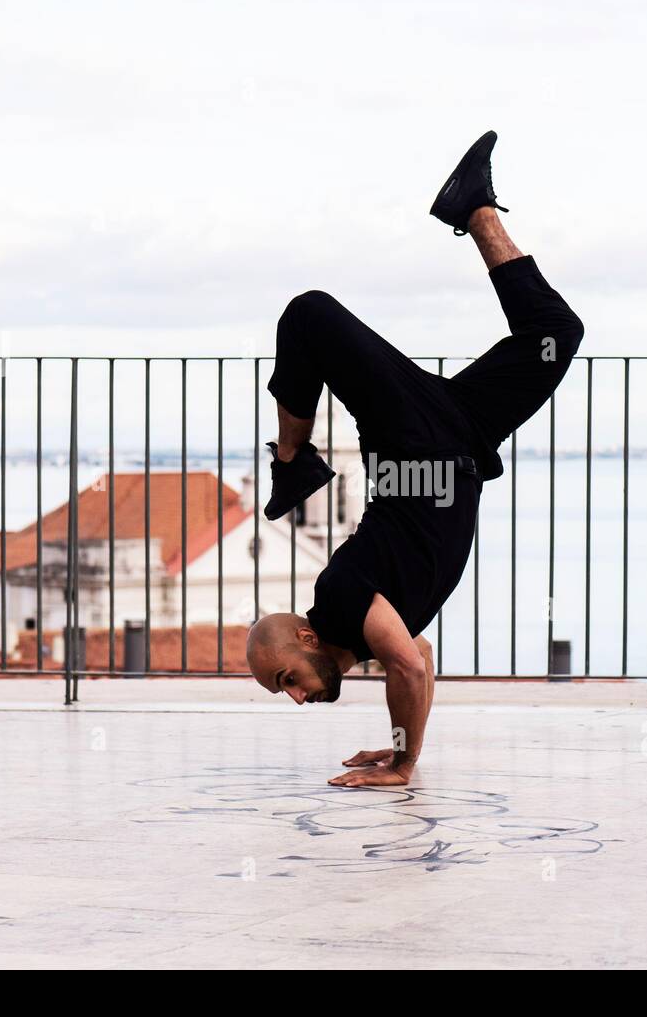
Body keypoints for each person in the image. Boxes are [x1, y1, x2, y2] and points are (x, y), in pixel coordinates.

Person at [246, 131, 584, 787]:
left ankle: (291, 461)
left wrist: (402, 762)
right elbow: (416, 653)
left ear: (308, 640)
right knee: (554, 336)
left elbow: (412, 668)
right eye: (281, 691)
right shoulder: (369, 632)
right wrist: (401, 742)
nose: (294, 696)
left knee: (309, 315)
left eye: (286, 678)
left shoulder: (338, 596)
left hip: (416, 442)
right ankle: (475, 209)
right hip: (461, 436)